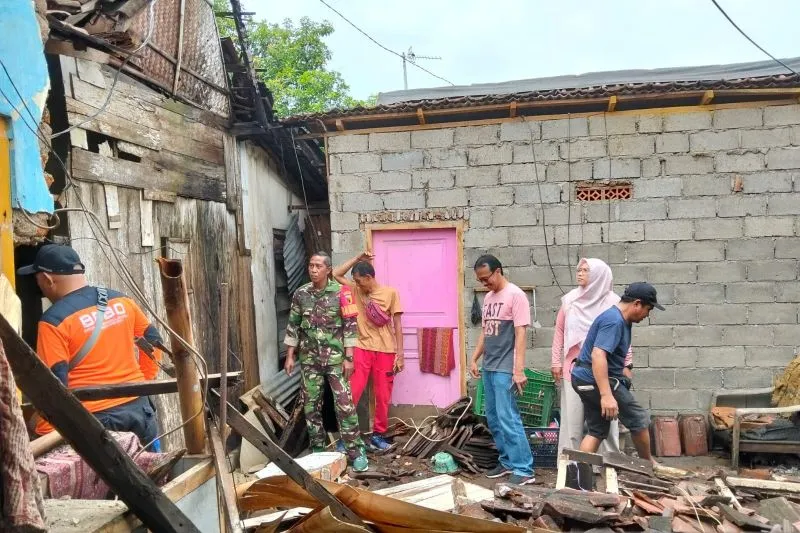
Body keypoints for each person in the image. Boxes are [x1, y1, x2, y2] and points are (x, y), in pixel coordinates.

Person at [17, 244, 163, 447]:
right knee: (154, 465)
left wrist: (40, 429)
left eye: (37, 279)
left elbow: (54, 386)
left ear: (47, 279)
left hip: (95, 422)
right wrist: (143, 382)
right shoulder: (122, 301)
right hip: (139, 411)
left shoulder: (53, 321)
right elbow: (154, 342)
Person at [284, 251, 368, 471]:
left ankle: (356, 451)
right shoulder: (301, 294)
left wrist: (349, 358)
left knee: (344, 405)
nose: (313, 270)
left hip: (336, 360)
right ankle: (318, 450)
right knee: (311, 406)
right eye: (311, 265)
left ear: (328, 270)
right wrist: (290, 355)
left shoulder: (342, 293)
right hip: (309, 360)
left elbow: (350, 327)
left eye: (318, 266)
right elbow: (293, 325)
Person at [570, 282, 664, 462]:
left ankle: (579, 474)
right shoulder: (614, 320)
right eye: (648, 309)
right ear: (637, 303)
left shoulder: (620, 319)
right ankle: (648, 466)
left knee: (597, 430)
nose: (648, 315)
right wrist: (606, 395)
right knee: (638, 419)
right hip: (593, 378)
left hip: (584, 378)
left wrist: (624, 370)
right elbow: (598, 355)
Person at [552, 258, 633, 455]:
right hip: (574, 370)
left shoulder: (614, 303)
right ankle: (570, 466)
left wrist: (627, 364)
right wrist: (555, 361)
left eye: (586, 270)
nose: (580, 273)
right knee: (572, 424)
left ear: (599, 275)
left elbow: (624, 336)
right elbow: (560, 331)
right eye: (579, 269)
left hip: (606, 371)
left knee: (607, 421)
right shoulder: (570, 300)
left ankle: (608, 464)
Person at [469, 254, 535, 485]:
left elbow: (521, 333)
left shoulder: (516, 295)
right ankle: (507, 461)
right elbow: (486, 331)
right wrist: (474, 358)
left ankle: (524, 468)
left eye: (486, 278)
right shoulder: (488, 298)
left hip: (505, 367)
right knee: (494, 418)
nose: (484, 283)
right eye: (480, 280)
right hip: (489, 365)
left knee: (508, 418)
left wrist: (519, 370)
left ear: (498, 271)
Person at [333, 252, 403, 452]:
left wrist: (400, 354)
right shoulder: (355, 290)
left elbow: (398, 325)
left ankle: (378, 435)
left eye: (359, 280)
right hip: (361, 348)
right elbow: (336, 274)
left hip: (386, 350)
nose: (356, 284)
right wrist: (357, 258)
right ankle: (346, 437)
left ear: (369, 277)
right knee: (352, 393)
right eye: (355, 281)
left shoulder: (391, 293)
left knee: (383, 395)